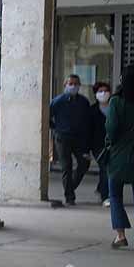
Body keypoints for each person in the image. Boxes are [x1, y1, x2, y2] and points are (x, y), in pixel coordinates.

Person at [106, 65, 134, 252]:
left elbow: (111, 128)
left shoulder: (116, 102)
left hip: (118, 157)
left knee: (115, 196)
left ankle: (120, 235)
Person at [49, 74, 93, 205]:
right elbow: (47, 116)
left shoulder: (84, 102)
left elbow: (87, 121)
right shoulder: (58, 101)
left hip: (79, 139)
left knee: (84, 163)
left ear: (79, 86)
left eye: (76, 84)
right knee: (66, 166)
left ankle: (70, 186)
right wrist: (56, 127)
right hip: (62, 138)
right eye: (71, 84)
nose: (73, 86)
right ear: (65, 85)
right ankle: (69, 196)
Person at [91, 81, 112, 206]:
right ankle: (105, 196)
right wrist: (85, 149)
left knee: (106, 169)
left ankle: (100, 188)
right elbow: (87, 130)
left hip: (112, 144)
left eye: (106, 90)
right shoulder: (92, 110)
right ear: (96, 94)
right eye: (100, 91)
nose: (103, 93)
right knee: (105, 168)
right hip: (97, 145)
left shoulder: (114, 107)